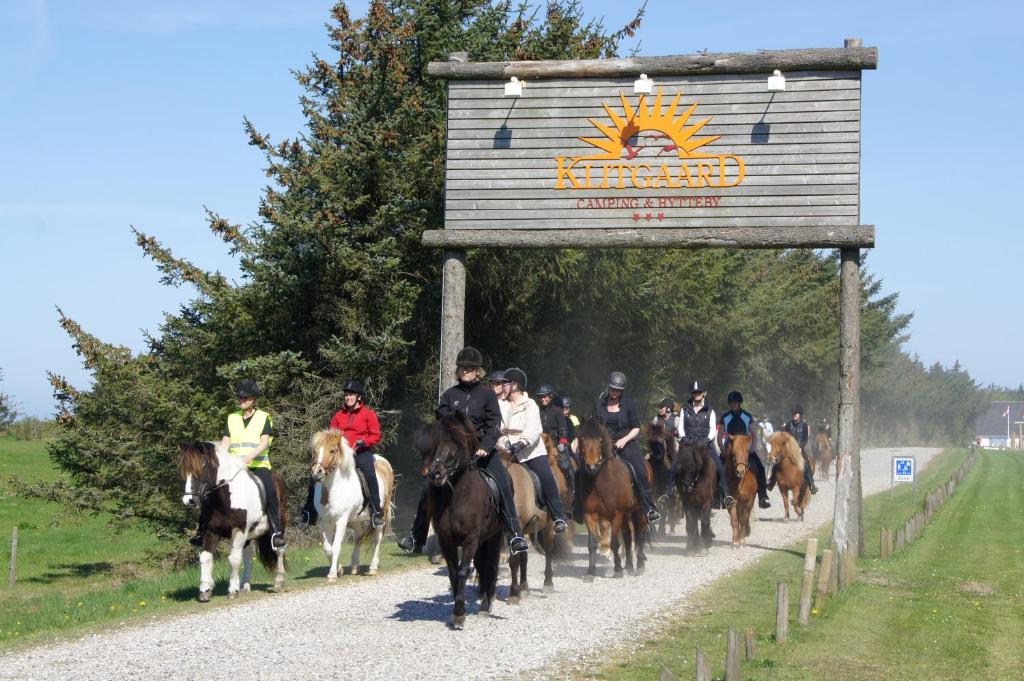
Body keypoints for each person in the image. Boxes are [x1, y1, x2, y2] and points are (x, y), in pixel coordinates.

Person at [398, 348, 529, 555]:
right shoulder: (450, 395)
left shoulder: (487, 395)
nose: (465, 371)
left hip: (480, 450)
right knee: (429, 483)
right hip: (453, 451)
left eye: (470, 368)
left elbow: (494, 424)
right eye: (462, 368)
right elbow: (441, 420)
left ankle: (514, 533)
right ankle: (416, 534)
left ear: (478, 371)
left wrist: (486, 447)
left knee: (503, 480)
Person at [193, 379, 286, 550]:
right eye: (240, 398)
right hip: (235, 467)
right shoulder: (232, 418)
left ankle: (276, 532)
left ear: (253, 399)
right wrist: (218, 456)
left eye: (245, 398)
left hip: (258, 464)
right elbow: (225, 443)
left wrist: (250, 457)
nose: (242, 400)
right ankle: (201, 530)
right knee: (210, 488)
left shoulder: (263, 417)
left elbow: (264, 442)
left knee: (271, 491)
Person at [499, 370, 569, 533]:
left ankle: (559, 516)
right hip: (507, 452)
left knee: (546, 477)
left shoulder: (530, 405)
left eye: (505, 383)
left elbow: (534, 429)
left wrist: (521, 443)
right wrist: (505, 444)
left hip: (531, 452)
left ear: (515, 386)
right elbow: (499, 431)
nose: (502, 386)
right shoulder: (501, 405)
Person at [587, 371, 661, 523]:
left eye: (618, 390)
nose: (615, 393)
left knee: (640, 469)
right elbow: (593, 425)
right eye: (613, 389)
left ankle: (649, 508)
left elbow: (636, 427)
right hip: (603, 445)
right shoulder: (599, 403)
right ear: (608, 388)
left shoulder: (629, 404)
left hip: (625, 443)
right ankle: (579, 505)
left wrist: (624, 439)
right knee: (585, 466)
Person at [676, 380, 734, 509]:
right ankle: (668, 494)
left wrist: (705, 441)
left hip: (706, 446)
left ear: (704, 393)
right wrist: (685, 439)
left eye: (699, 392)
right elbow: (680, 427)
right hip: (688, 446)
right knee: (674, 468)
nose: (696, 394)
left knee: (720, 469)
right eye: (694, 392)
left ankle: (726, 495)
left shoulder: (710, 411)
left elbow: (713, 430)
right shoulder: (684, 409)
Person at [720, 391, 771, 509]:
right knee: (718, 468)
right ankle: (718, 496)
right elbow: (719, 436)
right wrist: (722, 450)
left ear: (739, 403)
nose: (734, 405)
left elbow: (754, 434)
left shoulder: (747, 416)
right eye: (732, 403)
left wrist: (752, 448)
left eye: (736, 402)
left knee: (760, 468)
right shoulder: (725, 417)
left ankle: (763, 496)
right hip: (730, 448)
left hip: (744, 448)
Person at [536, 384, 574, 501]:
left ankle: (572, 486)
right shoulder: (537, 411)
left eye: (545, 397)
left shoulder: (557, 412)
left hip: (556, 443)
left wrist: (562, 443)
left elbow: (563, 429)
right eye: (541, 397)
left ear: (551, 397)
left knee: (565, 464)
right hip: (540, 443)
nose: (543, 399)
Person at [782, 405, 819, 494]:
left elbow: (805, 439)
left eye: (796, 413)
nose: (794, 415)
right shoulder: (788, 425)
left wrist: (800, 447)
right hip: (789, 449)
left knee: (806, 463)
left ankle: (811, 484)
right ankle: (771, 481)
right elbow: (785, 437)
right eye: (793, 413)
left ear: (800, 414)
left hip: (799, 449)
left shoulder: (804, 425)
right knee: (778, 460)